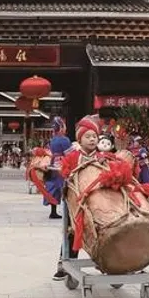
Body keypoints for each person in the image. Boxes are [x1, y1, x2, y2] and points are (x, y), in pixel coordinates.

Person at [52, 115, 101, 281]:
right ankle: (64, 263)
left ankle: (107, 261)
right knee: (71, 230)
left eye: (94, 136)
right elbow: (64, 172)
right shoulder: (73, 156)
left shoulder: (102, 156)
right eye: (88, 136)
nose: (92, 139)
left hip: (98, 200)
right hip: (78, 201)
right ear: (80, 139)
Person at [44, 116, 72, 220]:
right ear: (61, 127)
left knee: (54, 188)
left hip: (53, 164)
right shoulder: (64, 140)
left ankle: (53, 211)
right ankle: (69, 211)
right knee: (66, 187)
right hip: (62, 164)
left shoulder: (53, 139)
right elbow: (70, 153)